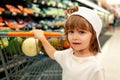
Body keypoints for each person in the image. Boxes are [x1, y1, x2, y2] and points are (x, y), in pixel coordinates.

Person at [34, 6, 105, 80]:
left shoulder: (95, 68)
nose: (75, 37)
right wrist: (42, 38)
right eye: (71, 32)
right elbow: (53, 54)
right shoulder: (67, 55)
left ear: (93, 36)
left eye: (82, 32)